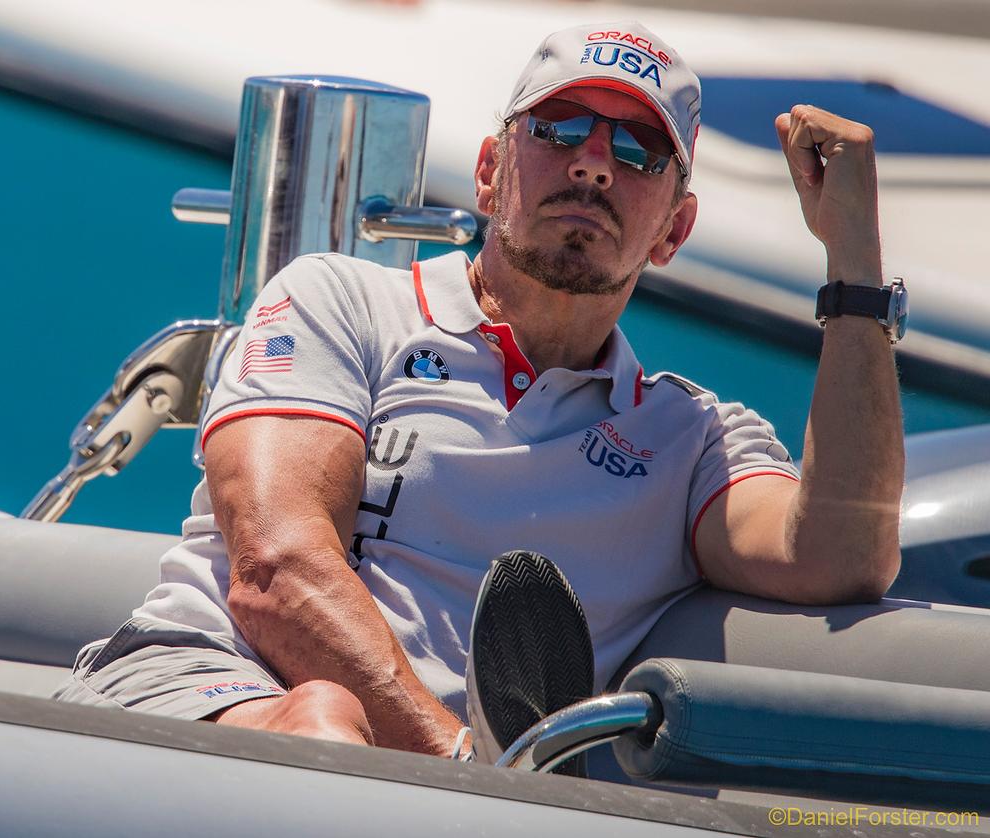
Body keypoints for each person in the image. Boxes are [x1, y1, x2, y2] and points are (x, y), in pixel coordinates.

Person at [55, 20, 904, 764]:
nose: (595, 165)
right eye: (563, 127)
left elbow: (842, 557)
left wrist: (855, 263)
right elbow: (273, 572)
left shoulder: (692, 436)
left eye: (639, 151)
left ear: (673, 231)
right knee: (324, 719)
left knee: (331, 732)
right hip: (192, 684)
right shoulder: (338, 302)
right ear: (493, 172)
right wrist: (463, 773)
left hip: (430, 789)